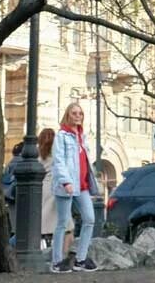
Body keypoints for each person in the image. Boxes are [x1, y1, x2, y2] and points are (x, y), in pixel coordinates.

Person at [49, 103, 100, 273]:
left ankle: (81, 259)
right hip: (67, 186)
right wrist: (66, 182)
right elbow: (59, 161)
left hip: (82, 186)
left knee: (89, 219)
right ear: (68, 115)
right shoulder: (62, 136)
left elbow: (85, 161)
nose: (78, 116)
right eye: (74, 113)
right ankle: (56, 262)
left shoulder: (82, 136)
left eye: (80, 113)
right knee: (63, 223)